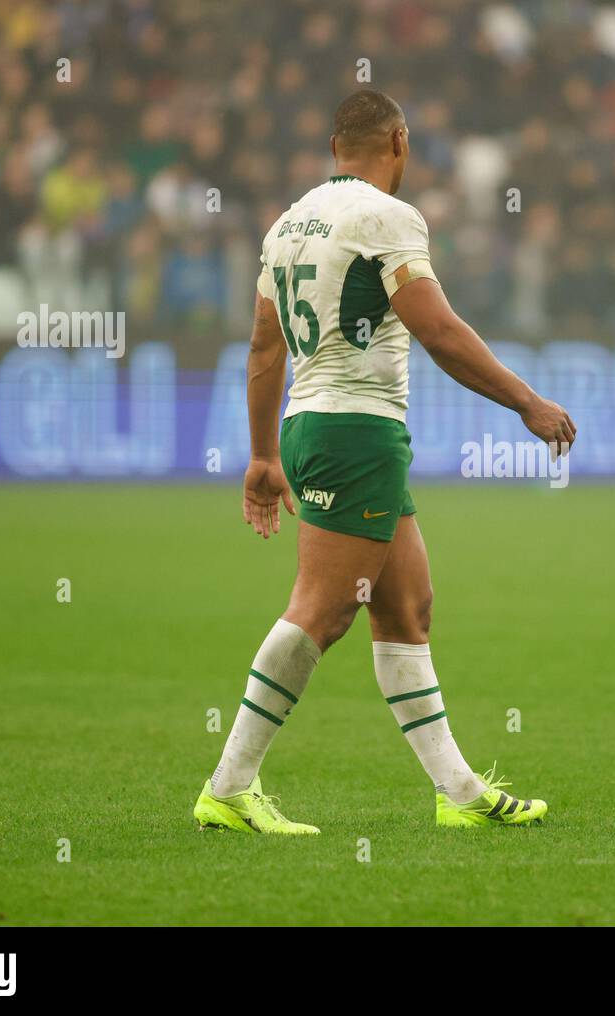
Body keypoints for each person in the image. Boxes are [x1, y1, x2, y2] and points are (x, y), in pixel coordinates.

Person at [193, 89, 576, 834]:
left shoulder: (286, 225)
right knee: (322, 610)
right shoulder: (387, 217)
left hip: (311, 426)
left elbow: (264, 347)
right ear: (399, 141)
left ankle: (459, 793)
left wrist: (263, 454)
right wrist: (526, 401)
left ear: (336, 144)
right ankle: (229, 785)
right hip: (354, 433)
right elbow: (436, 328)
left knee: (407, 607)